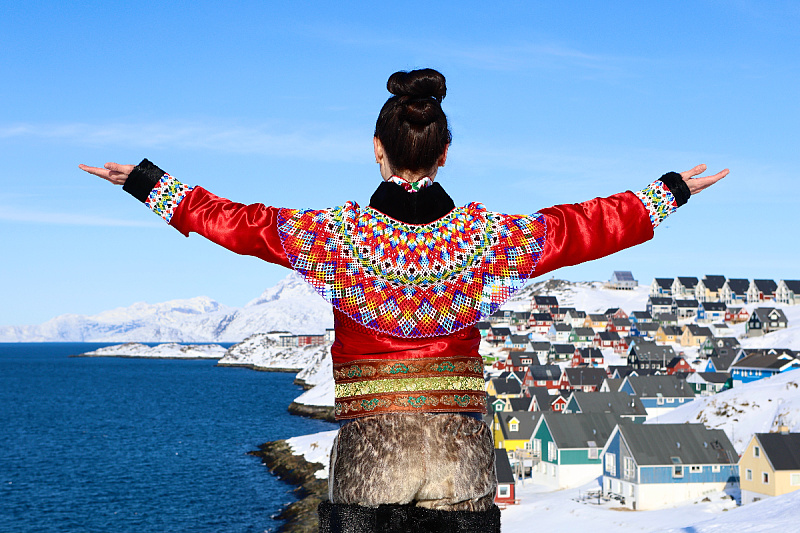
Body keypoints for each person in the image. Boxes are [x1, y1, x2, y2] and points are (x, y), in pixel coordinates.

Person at [80, 68, 727, 533]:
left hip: (370, 456)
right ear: (445, 154)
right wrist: (666, 193)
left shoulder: (335, 237)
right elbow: (579, 227)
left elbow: (238, 222)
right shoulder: (486, 238)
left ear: (376, 148)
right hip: (461, 458)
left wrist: (147, 182)